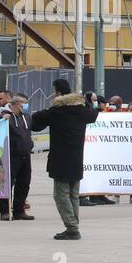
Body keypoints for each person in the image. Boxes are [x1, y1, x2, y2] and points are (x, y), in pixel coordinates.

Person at [29, 79, 99, 239]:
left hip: (60, 159)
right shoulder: (82, 111)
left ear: (58, 93)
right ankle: (73, 224)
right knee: (73, 194)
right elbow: (94, 115)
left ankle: (72, 228)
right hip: (76, 158)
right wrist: (88, 103)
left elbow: (36, 122)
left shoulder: (56, 112)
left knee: (60, 195)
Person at [0, 94, 35, 221]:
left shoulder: (27, 117)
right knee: (7, 183)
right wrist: (4, 118)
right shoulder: (7, 116)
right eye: (22, 104)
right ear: (14, 104)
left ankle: (19, 210)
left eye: (26, 104)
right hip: (11, 155)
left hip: (26, 155)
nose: (25, 106)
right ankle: (4, 211)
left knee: (24, 183)